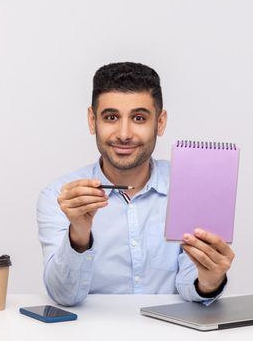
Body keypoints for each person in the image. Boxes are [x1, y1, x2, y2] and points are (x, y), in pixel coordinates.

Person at [37, 62, 235, 306]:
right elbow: (63, 296)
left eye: (139, 118)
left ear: (160, 123)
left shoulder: (191, 187)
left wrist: (209, 279)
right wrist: (78, 233)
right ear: (92, 120)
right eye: (111, 117)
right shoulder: (60, 196)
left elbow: (189, 283)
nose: (124, 133)